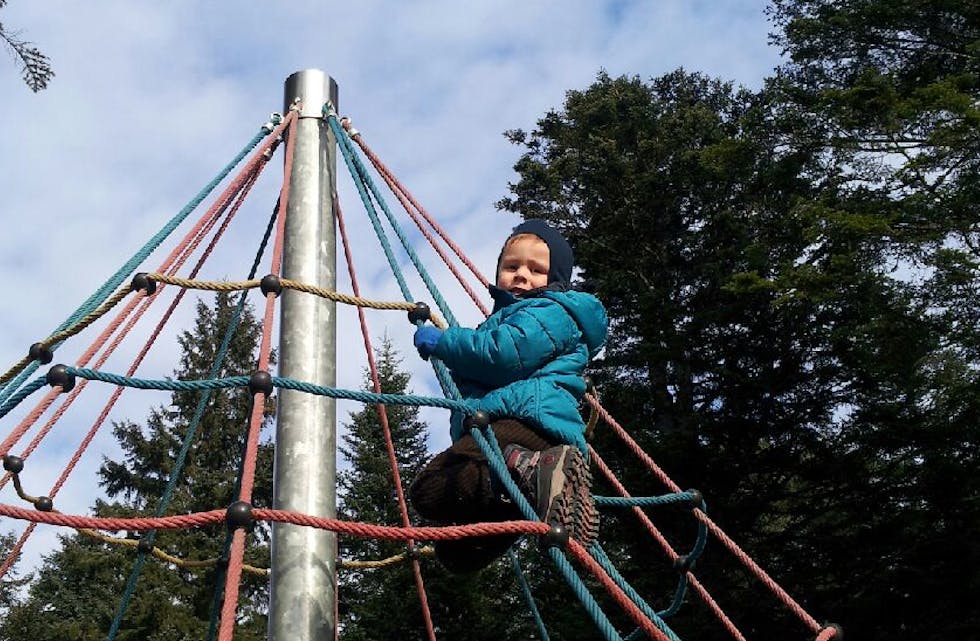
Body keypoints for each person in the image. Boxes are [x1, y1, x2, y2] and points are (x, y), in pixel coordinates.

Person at [408, 218, 608, 573]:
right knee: (455, 554)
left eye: (536, 269)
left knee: (431, 488)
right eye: (511, 266)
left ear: (557, 280)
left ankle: (528, 467)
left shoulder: (552, 310)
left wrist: (446, 343)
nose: (521, 275)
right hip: (507, 420)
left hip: (528, 419)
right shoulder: (507, 319)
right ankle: (533, 488)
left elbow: (503, 356)